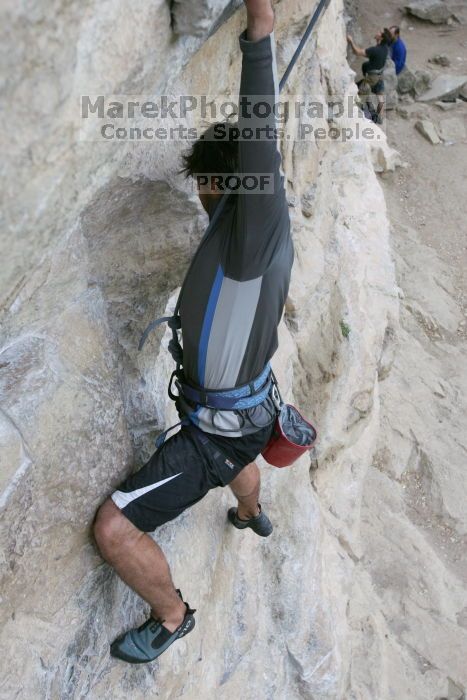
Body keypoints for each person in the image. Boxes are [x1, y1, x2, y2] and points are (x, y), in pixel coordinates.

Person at [93, 0, 294, 665]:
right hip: (250, 408)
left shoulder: (251, 235)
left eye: (208, 189)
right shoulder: (254, 238)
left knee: (116, 528)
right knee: (240, 449)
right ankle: (247, 513)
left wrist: (259, 36)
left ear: (228, 184)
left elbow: (259, 138)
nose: (202, 201)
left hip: (216, 433)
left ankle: (172, 615)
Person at [347, 28, 392, 123]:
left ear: (381, 38)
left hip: (371, 79)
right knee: (380, 99)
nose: (377, 32)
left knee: (358, 98)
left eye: (379, 32)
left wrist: (351, 41)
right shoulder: (384, 49)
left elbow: (358, 52)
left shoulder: (375, 50)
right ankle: (379, 118)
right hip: (379, 76)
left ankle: (361, 118)